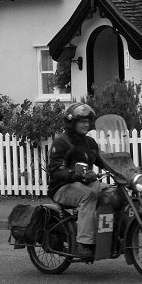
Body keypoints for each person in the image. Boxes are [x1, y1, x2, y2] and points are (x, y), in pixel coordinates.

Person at [47, 102, 108, 258]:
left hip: (85, 183)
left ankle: (107, 235)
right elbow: (54, 171)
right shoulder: (62, 142)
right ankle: (84, 243)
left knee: (112, 193)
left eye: (88, 121)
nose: (86, 124)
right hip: (62, 187)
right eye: (82, 121)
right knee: (89, 195)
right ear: (72, 122)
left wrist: (124, 169)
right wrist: (74, 174)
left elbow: (102, 161)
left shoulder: (90, 143)